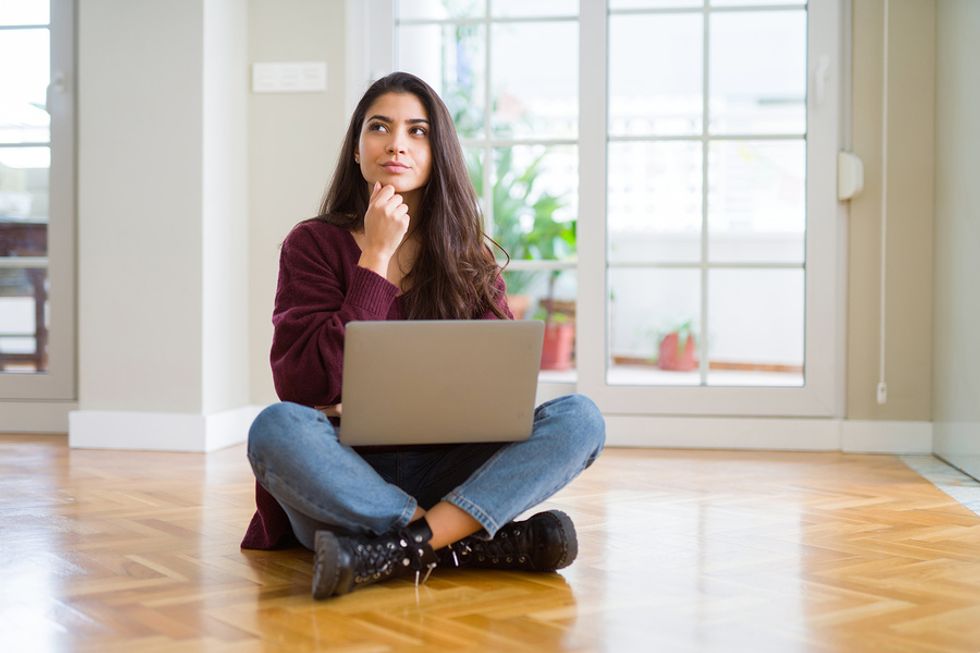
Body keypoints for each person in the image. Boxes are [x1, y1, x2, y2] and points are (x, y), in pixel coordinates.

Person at [243, 72, 605, 600]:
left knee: (580, 419)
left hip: (450, 467)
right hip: (345, 478)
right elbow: (302, 384)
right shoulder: (313, 244)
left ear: (438, 153)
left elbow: (497, 385)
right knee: (276, 429)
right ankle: (459, 541)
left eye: (417, 131)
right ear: (356, 149)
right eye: (380, 127)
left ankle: (400, 548)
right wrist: (375, 258)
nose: (396, 144)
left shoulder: (467, 256)